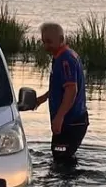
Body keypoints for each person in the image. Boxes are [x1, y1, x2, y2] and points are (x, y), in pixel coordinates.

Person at [36, 22, 89, 163]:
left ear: (61, 39)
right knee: (60, 158)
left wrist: (59, 118)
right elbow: (61, 87)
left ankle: (69, 184)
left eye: (49, 42)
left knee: (61, 160)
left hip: (71, 122)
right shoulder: (60, 57)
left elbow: (71, 90)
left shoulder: (66, 59)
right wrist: (42, 99)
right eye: (43, 41)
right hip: (70, 120)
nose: (46, 46)